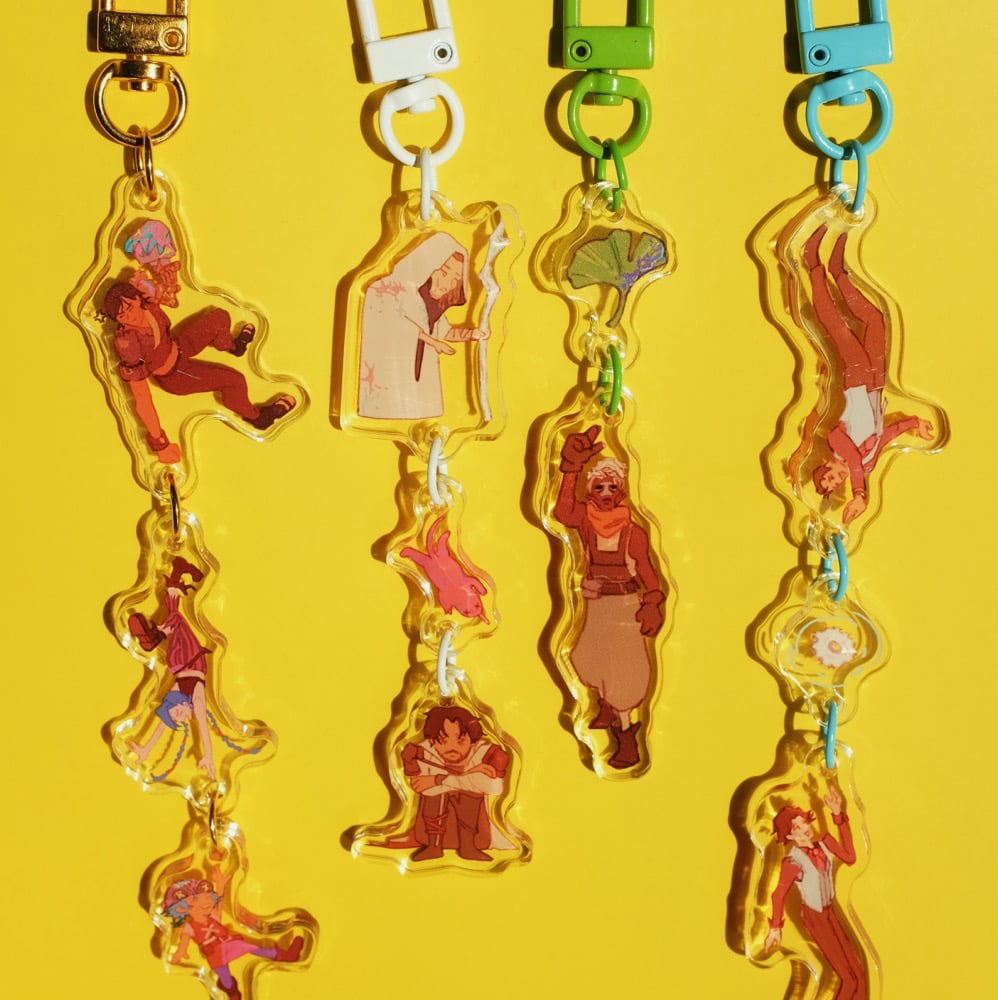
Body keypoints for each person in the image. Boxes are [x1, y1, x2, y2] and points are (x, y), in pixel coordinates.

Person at [802, 224, 933, 522]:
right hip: (875, 384)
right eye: (834, 485)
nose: (836, 479)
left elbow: (851, 457)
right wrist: (915, 423)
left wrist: (859, 493)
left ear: (826, 465)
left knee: (838, 329)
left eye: (828, 477)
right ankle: (837, 270)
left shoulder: (836, 442)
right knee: (875, 320)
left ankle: (816, 264)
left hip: (857, 381)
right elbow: (887, 433)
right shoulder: (869, 464)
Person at [554, 425, 666, 769]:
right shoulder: (587, 521)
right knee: (585, 658)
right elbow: (563, 512)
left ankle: (627, 737)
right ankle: (604, 701)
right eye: (599, 487)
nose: (605, 493)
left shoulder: (633, 532)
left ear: (621, 492)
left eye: (612, 487)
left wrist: (653, 601)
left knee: (624, 674)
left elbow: (647, 571)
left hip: (625, 607)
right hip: (596, 605)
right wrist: (570, 468)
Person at [101, 276, 295, 464]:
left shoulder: (149, 307)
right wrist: (160, 444)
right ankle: (258, 418)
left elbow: (166, 292)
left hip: (179, 346)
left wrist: (156, 277)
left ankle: (233, 347)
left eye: (130, 308)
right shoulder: (128, 343)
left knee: (220, 317)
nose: (130, 317)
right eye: (122, 316)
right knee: (234, 381)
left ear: (137, 299)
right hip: (175, 375)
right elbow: (141, 397)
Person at [359, 232, 487, 419]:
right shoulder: (389, 290)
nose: (448, 284)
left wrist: (471, 334)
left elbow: (446, 332)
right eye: (444, 272)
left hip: (418, 387)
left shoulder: (432, 306)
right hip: (390, 377)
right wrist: (432, 342)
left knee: (422, 414)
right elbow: (392, 322)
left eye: (455, 279)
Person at [765, 785, 868, 1000]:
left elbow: (850, 857)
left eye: (804, 822)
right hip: (816, 918)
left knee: (859, 974)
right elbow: (778, 894)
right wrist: (775, 927)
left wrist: (838, 815)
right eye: (797, 827)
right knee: (847, 979)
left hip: (831, 913)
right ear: (790, 835)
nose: (805, 828)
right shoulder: (793, 861)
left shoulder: (826, 844)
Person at [128, 557, 216, 780]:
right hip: (191, 658)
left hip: (179, 662)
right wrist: (208, 755)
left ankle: (177, 572)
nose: (182, 718)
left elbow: (160, 725)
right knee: (175, 620)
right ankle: (156, 633)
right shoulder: (195, 697)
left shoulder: (177, 693)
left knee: (173, 616)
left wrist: (145, 749)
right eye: (180, 717)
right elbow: (203, 727)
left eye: (176, 715)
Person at [164, 867, 304, 1000]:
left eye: (207, 897)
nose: (207, 901)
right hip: (214, 954)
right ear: (183, 909)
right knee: (225, 978)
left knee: (251, 947)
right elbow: (184, 941)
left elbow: (219, 902)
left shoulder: (213, 917)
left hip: (228, 944)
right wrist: (180, 952)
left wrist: (220, 886)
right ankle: (231, 991)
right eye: (197, 900)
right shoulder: (189, 927)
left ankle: (285, 955)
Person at [402, 705, 513, 862]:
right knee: (436, 794)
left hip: (480, 832)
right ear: (432, 740)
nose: (452, 747)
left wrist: (438, 779)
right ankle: (434, 846)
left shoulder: (487, 753)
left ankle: (468, 847)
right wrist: (469, 776)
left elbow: (493, 787)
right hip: (430, 827)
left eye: (460, 740)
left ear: (472, 739)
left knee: (470, 795)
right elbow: (420, 786)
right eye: (443, 740)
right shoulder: (424, 751)